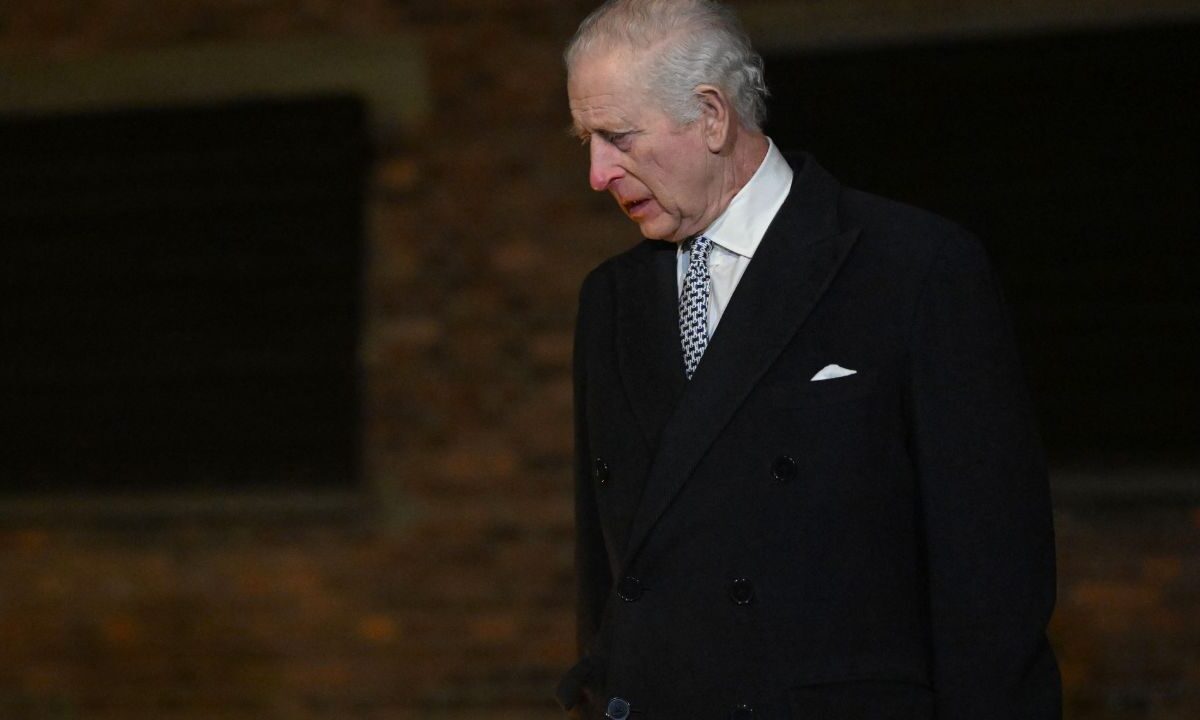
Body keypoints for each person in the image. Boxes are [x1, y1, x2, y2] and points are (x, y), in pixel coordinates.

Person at [558, 1, 1061, 718]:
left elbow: (994, 580)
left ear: (710, 116)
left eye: (617, 138)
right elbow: (603, 579)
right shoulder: (608, 299)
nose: (598, 173)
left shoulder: (914, 268)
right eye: (586, 140)